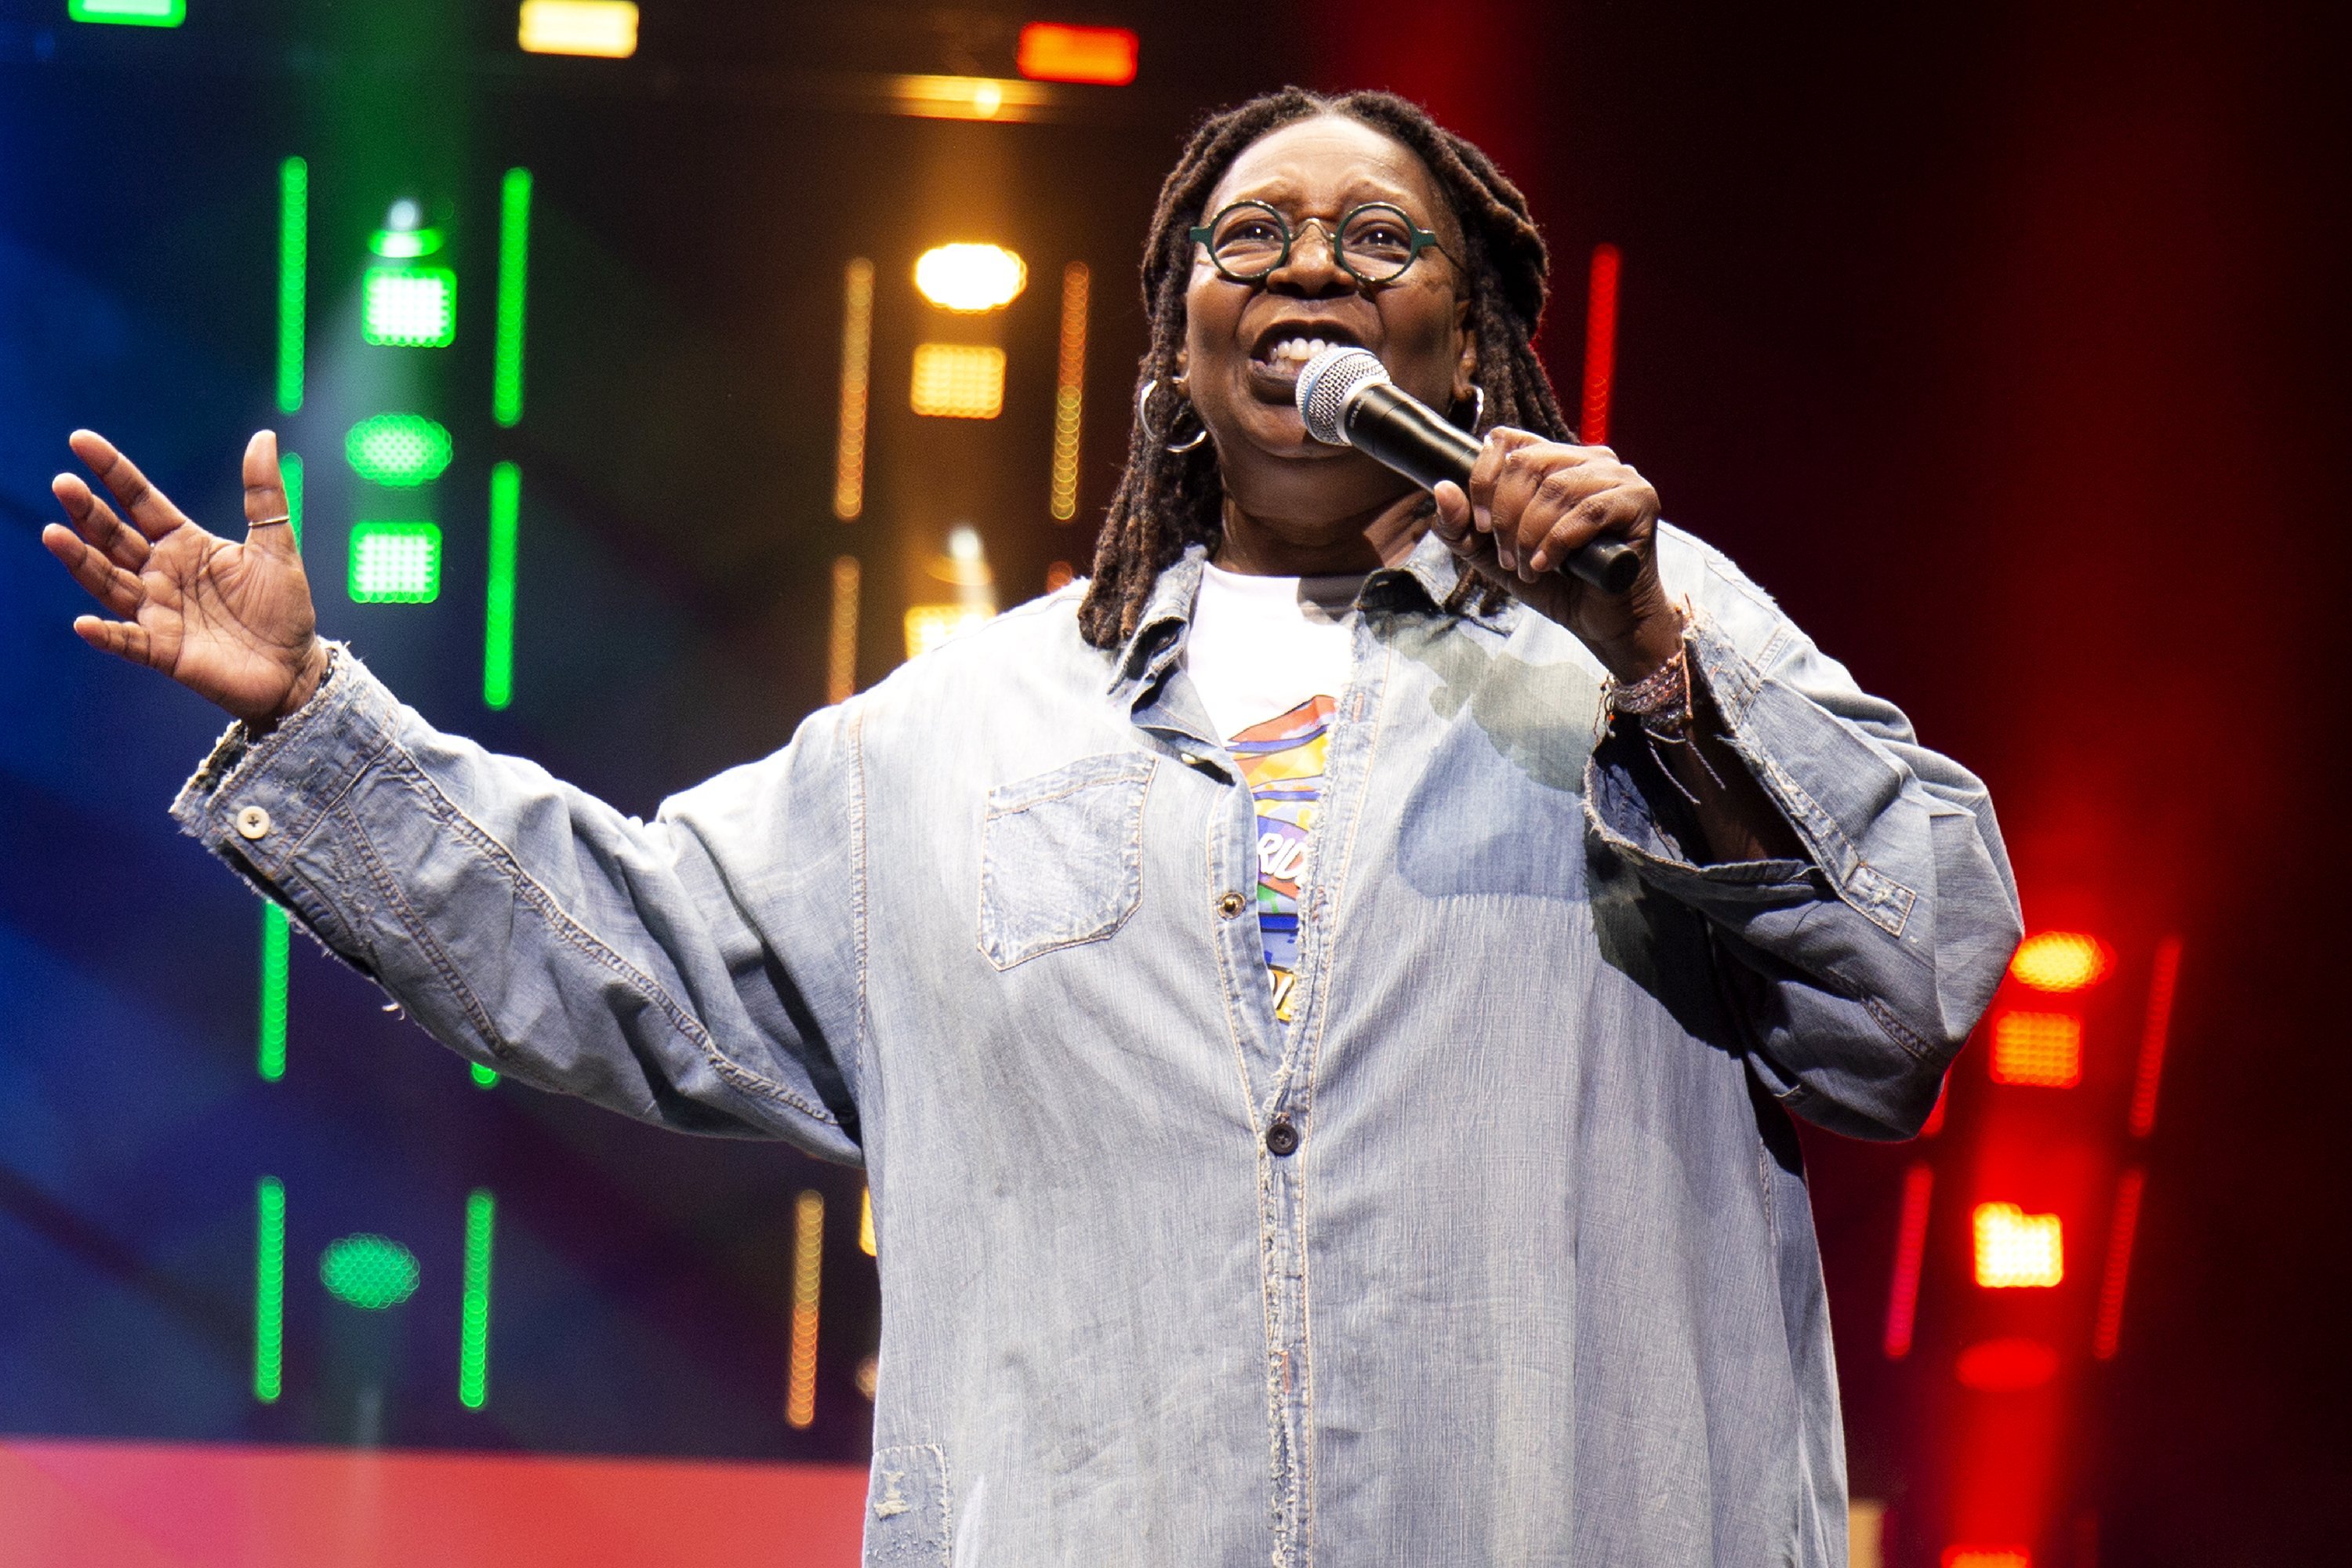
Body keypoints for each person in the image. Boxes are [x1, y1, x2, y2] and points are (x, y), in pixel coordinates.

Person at [38, 88, 2020, 1566]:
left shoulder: (1654, 631)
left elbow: (1905, 1000)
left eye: (1379, 237)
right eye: (1251, 237)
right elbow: (627, 948)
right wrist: (314, 717)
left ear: (1478, 340)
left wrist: (1657, 670)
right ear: (1176, 348)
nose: (1312, 264)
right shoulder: (961, 731)